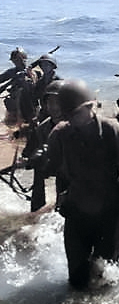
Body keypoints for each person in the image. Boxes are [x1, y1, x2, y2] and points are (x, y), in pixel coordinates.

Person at [43, 79, 119, 290]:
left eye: (76, 114)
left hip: (109, 215)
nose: (73, 120)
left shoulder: (111, 130)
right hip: (76, 212)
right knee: (76, 281)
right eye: (68, 116)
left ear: (91, 106)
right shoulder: (61, 133)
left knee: (104, 278)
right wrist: (35, 160)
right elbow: (48, 165)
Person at [20, 80, 65, 212]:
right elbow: (31, 149)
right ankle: (37, 206)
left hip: (73, 170)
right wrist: (27, 160)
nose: (54, 107)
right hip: (54, 164)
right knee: (38, 165)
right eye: (50, 102)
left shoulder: (76, 124)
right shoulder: (42, 128)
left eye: (58, 102)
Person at [0, 47, 36, 126]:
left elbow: (36, 85)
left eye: (18, 60)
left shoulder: (33, 72)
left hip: (29, 99)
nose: (17, 62)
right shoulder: (11, 72)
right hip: (15, 99)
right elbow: (1, 78)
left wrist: (28, 75)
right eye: (15, 60)